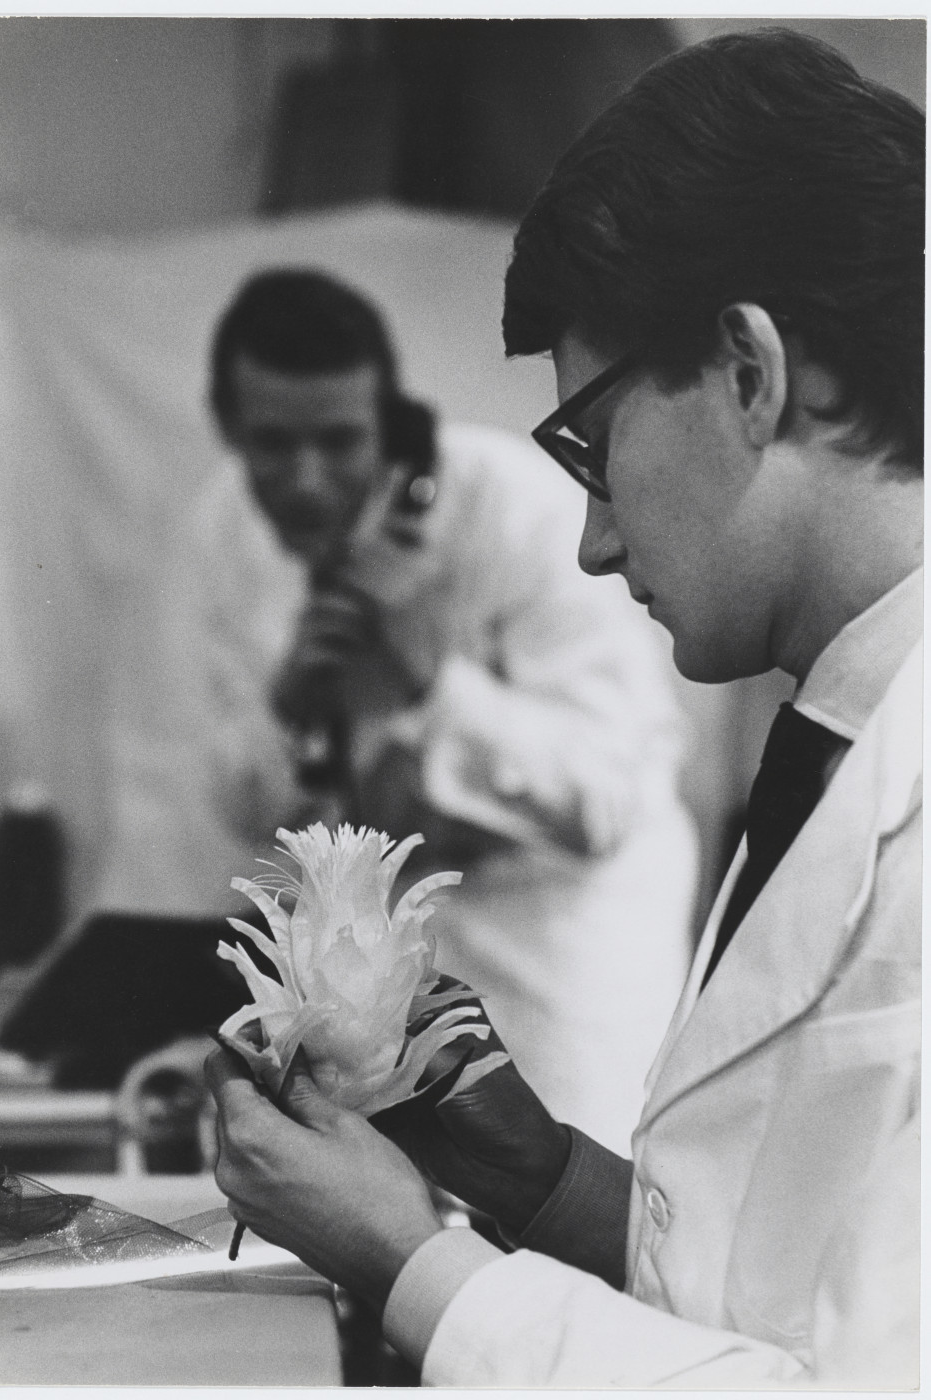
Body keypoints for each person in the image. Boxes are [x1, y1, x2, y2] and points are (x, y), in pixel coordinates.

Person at [205, 30, 922, 1386]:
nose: (593, 542)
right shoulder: (836, 742)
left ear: (750, 373)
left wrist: (416, 1263)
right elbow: (760, 1297)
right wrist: (539, 1174)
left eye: (592, 451)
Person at [186, 269, 697, 1150]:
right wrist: (287, 709)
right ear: (227, 427)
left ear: (389, 422)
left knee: (578, 1227)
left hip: (561, 964)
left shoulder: (517, 512)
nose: (306, 481)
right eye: (271, 444)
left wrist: (432, 683)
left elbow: (608, 802)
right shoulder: (225, 534)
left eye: (340, 441)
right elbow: (240, 807)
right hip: (382, 979)